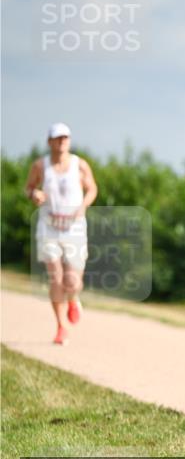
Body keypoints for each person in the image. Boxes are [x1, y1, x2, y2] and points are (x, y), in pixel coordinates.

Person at [24, 122, 98, 345]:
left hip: (74, 227)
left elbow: (92, 188)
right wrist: (34, 194)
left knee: (72, 281)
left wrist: (84, 205)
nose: (62, 141)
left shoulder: (80, 165)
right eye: (58, 138)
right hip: (49, 226)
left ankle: (73, 299)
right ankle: (60, 326)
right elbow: (28, 188)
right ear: (49, 142)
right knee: (55, 278)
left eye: (65, 137)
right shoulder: (40, 165)